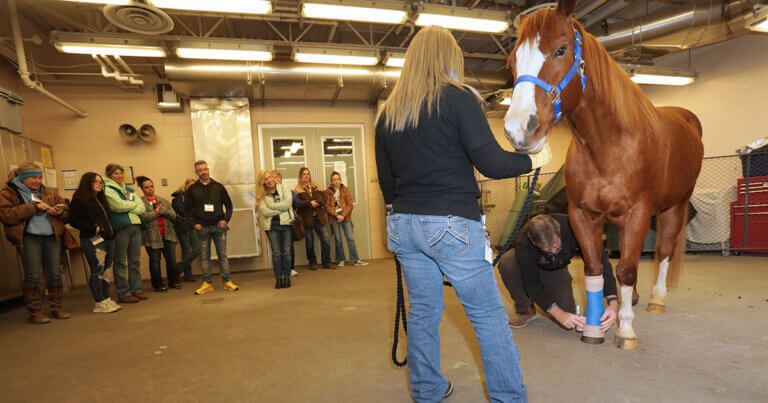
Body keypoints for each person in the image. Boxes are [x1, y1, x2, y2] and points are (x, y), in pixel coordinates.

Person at [375, 26, 553, 401]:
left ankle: (427, 390)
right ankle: (509, 397)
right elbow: (489, 162)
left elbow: (388, 186)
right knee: (488, 316)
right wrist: (531, 159)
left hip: (403, 226)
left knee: (423, 311)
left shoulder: (388, 113)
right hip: (451, 224)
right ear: (449, 58)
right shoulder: (458, 99)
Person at [498, 214, 619, 331]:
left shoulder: (575, 227)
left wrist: (613, 301)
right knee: (507, 262)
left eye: (557, 246)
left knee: (567, 312)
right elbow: (531, 283)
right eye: (548, 249)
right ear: (534, 243)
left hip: (555, 268)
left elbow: (599, 260)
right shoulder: (524, 241)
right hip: (530, 265)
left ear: (558, 231)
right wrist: (558, 314)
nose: (554, 251)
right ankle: (525, 308)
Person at [0, 162, 71, 323]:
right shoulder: (9, 193)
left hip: (51, 237)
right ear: (23, 178)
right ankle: (35, 312)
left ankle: (57, 308)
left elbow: (66, 210)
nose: (38, 181)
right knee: (33, 275)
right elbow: (5, 215)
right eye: (33, 177)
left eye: (39, 177)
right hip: (29, 238)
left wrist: (60, 211)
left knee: (54, 273)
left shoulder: (48, 193)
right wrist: (34, 207)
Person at [69, 172, 121, 314]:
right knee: (98, 269)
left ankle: (106, 298)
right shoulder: (80, 198)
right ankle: (99, 302)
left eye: (101, 182)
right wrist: (93, 228)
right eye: (96, 181)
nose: (100, 184)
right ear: (88, 183)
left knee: (106, 269)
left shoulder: (100, 198)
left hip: (109, 239)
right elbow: (73, 220)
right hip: (93, 239)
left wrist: (113, 229)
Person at [185, 160, 239, 294]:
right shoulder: (192, 189)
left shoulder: (218, 187)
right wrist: (194, 224)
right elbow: (187, 210)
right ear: (196, 173)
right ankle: (207, 283)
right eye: (200, 170)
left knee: (223, 256)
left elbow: (229, 205)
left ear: (208, 170)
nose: (203, 172)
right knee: (205, 257)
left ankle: (227, 281)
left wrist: (226, 220)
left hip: (218, 227)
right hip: (202, 228)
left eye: (205, 169)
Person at [103, 164, 147, 304]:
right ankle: (123, 293)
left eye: (121, 173)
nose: (120, 175)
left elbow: (142, 208)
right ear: (110, 175)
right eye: (116, 173)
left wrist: (128, 205)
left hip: (136, 227)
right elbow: (117, 206)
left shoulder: (129, 189)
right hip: (121, 228)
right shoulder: (107, 189)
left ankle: (136, 290)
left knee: (135, 261)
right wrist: (132, 205)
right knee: (120, 261)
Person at [136, 176, 180, 292]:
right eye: (147, 187)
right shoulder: (140, 202)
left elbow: (174, 215)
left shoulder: (162, 200)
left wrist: (162, 211)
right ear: (142, 189)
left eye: (151, 186)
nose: (150, 189)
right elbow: (142, 217)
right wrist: (156, 213)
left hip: (168, 234)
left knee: (171, 259)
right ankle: (158, 284)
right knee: (155, 261)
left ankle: (173, 282)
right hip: (152, 237)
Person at [256, 169, 294, 289]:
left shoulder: (284, 188)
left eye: (270, 177)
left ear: (273, 177)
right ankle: (278, 278)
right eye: (266, 179)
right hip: (272, 226)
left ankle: (287, 277)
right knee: (277, 253)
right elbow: (265, 212)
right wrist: (281, 208)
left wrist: (272, 205)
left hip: (286, 224)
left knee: (287, 252)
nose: (269, 180)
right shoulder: (262, 195)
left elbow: (288, 204)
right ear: (263, 182)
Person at [294, 167, 335, 270]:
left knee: (325, 239)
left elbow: (324, 198)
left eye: (308, 174)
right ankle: (312, 262)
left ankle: (326, 262)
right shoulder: (297, 189)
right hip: (306, 219)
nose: (306, 176)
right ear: (300, 176)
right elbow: (297, 204)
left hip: (318, 217)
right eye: (304, 174)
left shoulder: (316, 186)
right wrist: (309, 203)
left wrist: (316, 202)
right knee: (310, 241)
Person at [324, 171, 367, 267]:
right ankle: (341, 259)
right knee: (338, 239)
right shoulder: (328, 191)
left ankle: (356, 260)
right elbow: (327, 207)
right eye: (334, 180)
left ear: (340, 180)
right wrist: (336, 215)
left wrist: (342, 215)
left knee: (350, 237)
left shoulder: (345, 189)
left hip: (345, 215)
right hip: (334, 216)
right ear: (332, 181)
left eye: (337, 179)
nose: (336, 181)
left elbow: (350, 204)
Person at [171, 179, 199, 282]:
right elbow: (181, 210)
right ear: (185, 186)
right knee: (186, 250)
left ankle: (178, 267)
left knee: (197, 249)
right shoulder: (179, 197)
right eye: (190, 185)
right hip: (182, 226)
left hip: (192, 225)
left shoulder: (196, 198)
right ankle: (188, 274)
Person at [272, 170, 298, 277]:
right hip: (274, 223)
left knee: (289, 247)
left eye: (278, 177)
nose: (277, 179)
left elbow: (297, 202)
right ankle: (280, 271)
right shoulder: (269, 193)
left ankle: (290, 268)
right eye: (274, 177)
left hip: (287, 222)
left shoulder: (288, 190)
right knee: (278, 249)